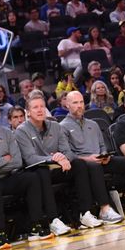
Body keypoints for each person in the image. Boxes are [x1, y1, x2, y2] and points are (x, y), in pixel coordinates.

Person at [0, 97, 52, 247]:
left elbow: (17, 161)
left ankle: (35, 225)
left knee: (31, 178)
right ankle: (0, 233)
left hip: (9, 177)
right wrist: (4, 160)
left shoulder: (7, 132)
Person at [61, 91, 125, 221]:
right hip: (83, 164)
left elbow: (102, 145)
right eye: (75, 103)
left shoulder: (93, 124)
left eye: (81, 102)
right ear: (67, 105)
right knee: (94, 167)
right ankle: (104, 209)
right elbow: (68, 153)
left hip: (101, 160)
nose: (79, 106)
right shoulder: (62, 127)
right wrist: (88, 158)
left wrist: (105, 156)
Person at [15, 92, 99, 234]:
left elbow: (69, 152)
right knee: (41, 171)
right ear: (28, 112)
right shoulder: (21, 131)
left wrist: (63, 158)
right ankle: (53, 220)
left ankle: (85, 213)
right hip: (38, 172)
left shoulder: (55, 126)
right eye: (35, 107)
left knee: (79, 164)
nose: (40, 110)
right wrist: (52, 158)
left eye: (42, 106)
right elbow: (30, 158)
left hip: (58, 168)